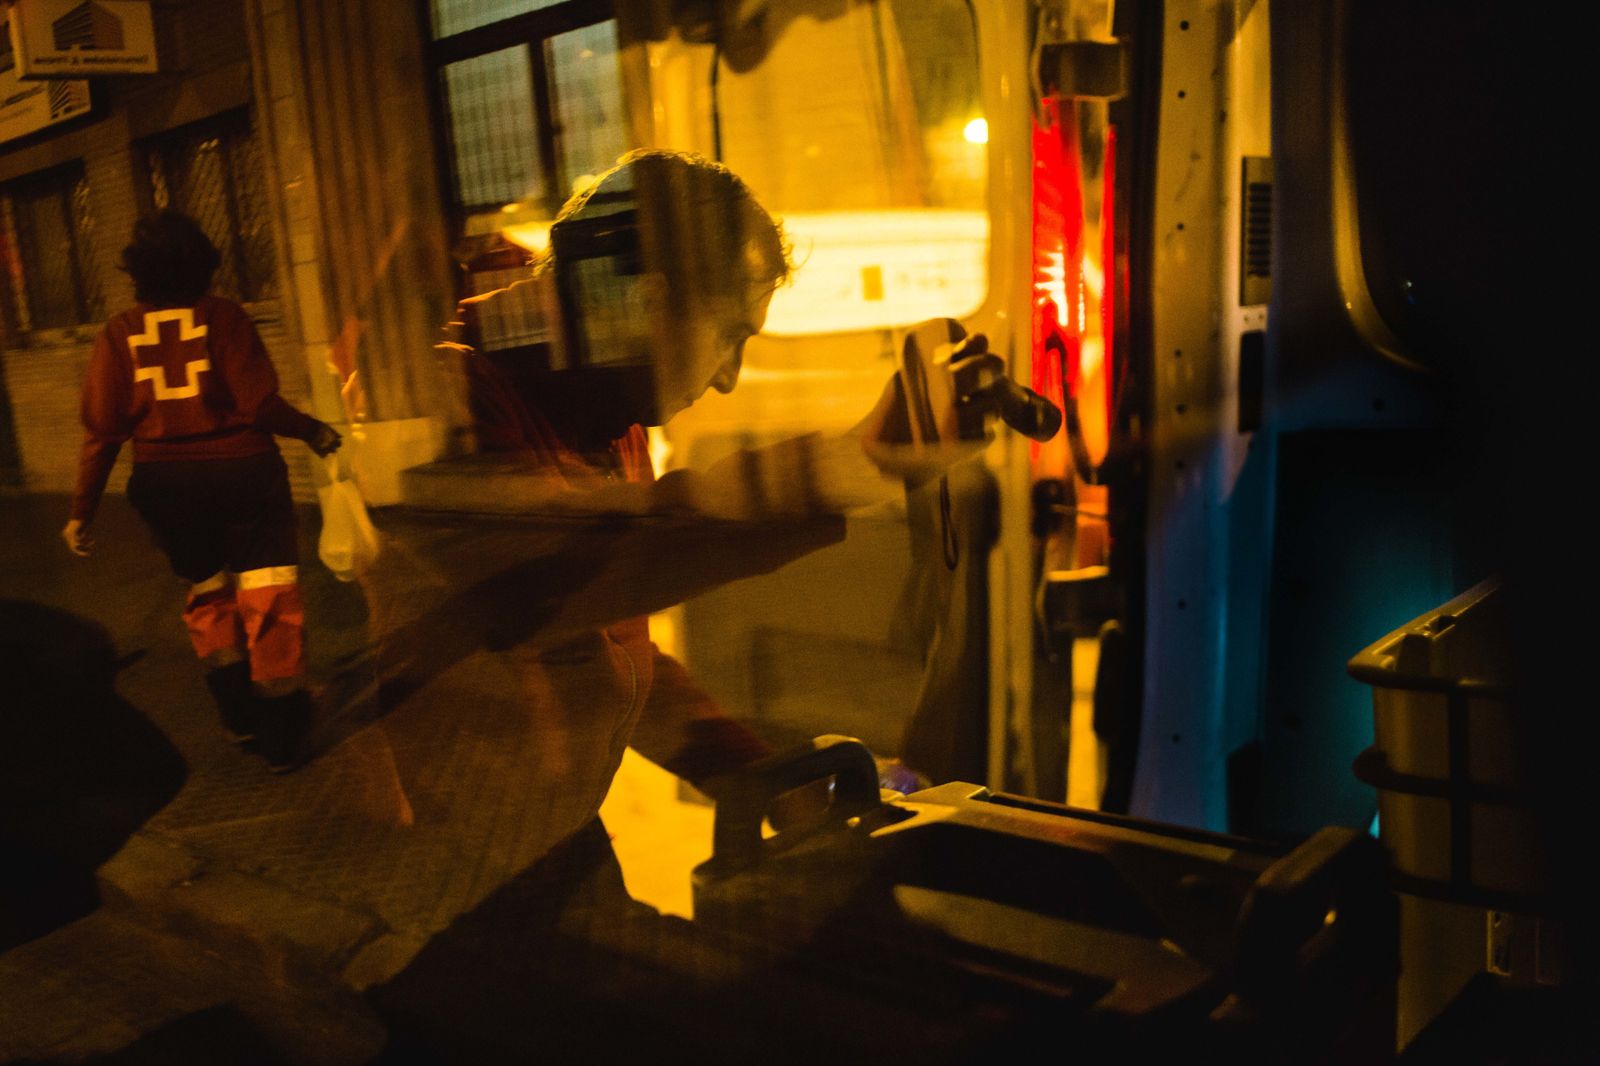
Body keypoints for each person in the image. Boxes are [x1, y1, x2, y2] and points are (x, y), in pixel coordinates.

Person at [61, 211, 343, 772]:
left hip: (167, 486)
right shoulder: (225, 319)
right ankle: (282, 731)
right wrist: (313, 430)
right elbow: (259, 403)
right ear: (204, 265)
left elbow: (103, 429)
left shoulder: (118, 334)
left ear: (136, 273)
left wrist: (81, 512)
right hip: (244, 474)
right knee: (267, 593)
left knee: (208, 595)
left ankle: (238, 717)